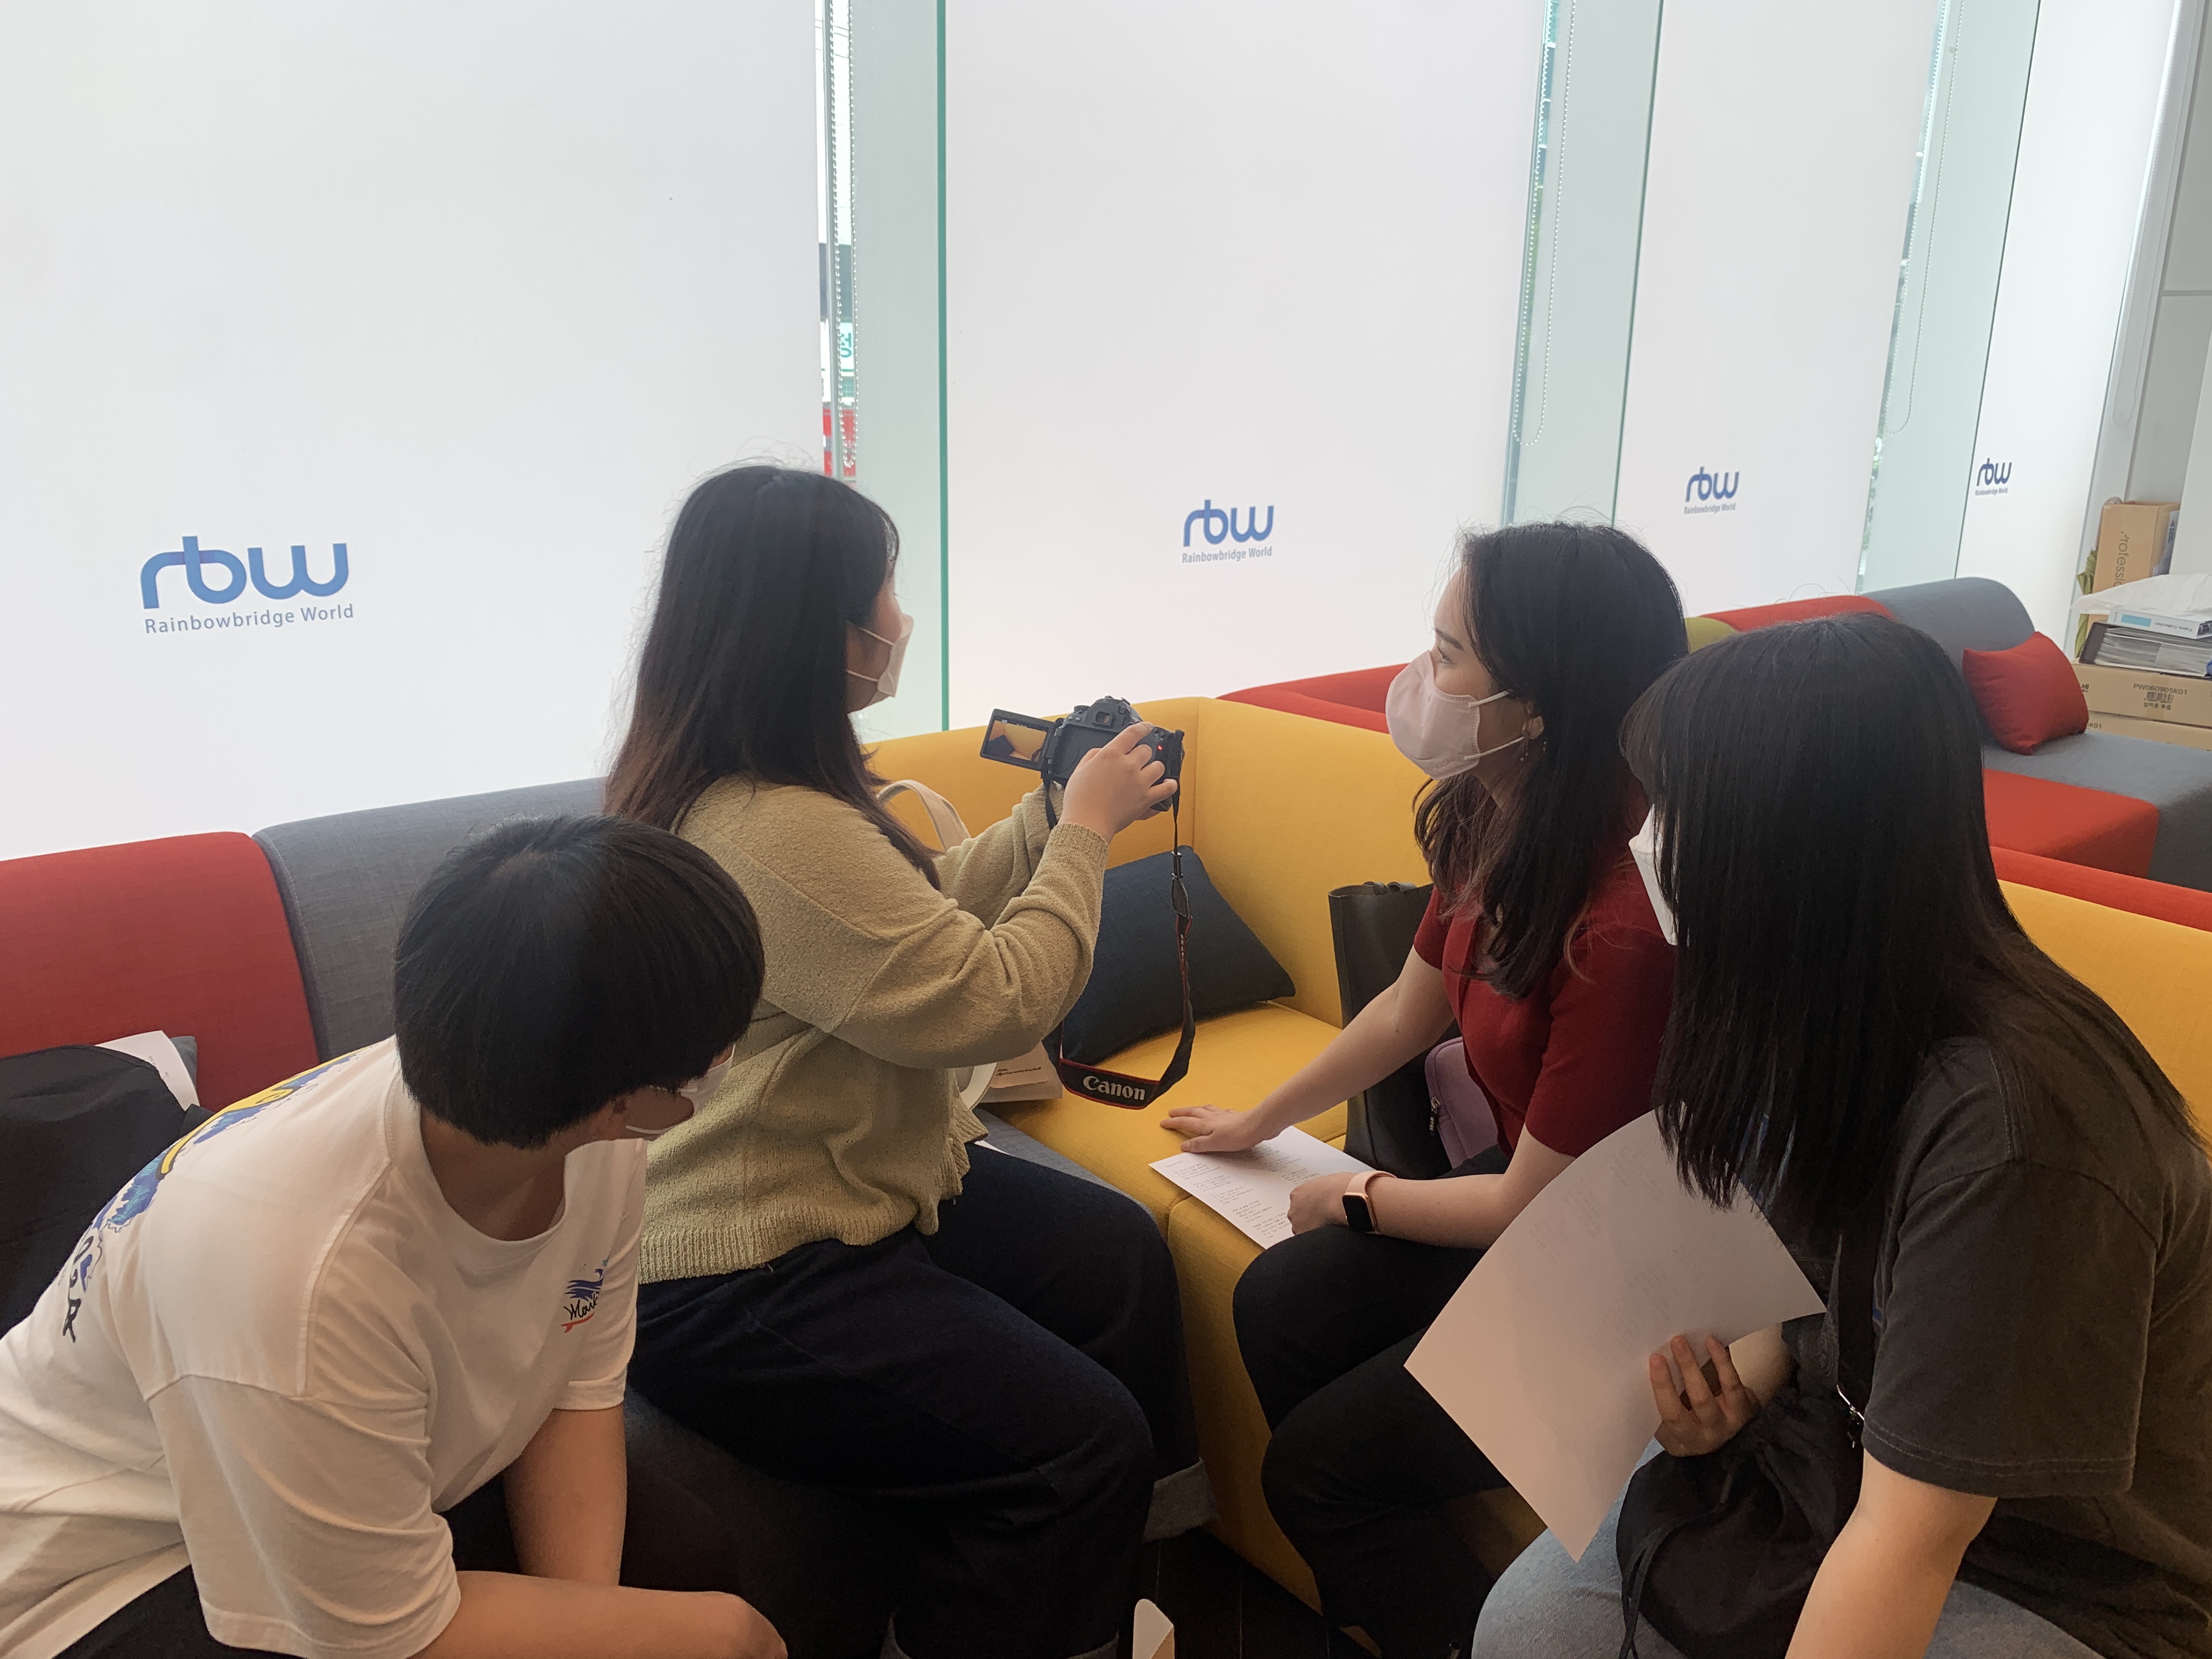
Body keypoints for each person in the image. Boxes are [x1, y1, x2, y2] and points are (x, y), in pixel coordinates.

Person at [1477, 612, 2212, 1659]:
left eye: (1675, 808)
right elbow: (1819, 1286)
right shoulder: (1817, 1020)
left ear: (1793, 842)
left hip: (2051, 1576)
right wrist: (1737, 1395)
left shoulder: (2016, 1134)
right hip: (1832, 1469)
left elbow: (1915, 1539)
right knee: (1528, 1627)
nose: (1645, 840)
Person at [603, 464, 1204, 1659]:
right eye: (883, 590)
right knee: (1083, 1442)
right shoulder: (769, 826)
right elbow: (992, 999)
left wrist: (1046, 815)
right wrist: (1087, 831)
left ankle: (1115, 1579)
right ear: (813, 627)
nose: (899, 616)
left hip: (850, 1189)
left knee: (1117, 1254)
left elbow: (907, 919)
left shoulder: (763, 791)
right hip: (741, 1264)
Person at [0, 816, 785, 1659]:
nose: (726, 1057)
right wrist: (708, 1634)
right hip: (102, 1566)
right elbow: (391, 1637)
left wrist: (589, 1624)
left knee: (678, 1562)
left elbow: (573, 1381)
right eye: (720, 1045)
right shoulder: (302, 1278)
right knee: (713, 1631)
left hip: (343, 1450)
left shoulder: (564, 1109)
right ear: (626, 1102)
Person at [1162, 521, 1687, 1657]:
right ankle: (1389, 1578)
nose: (1420, 679)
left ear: (1538, 703)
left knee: (1315, 1470)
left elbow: (1530, 1204)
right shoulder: (1496, 820)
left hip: (1622, 1264)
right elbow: (1409, 1010)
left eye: (1449, 655)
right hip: (1539, 1195)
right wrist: (1262, 1119)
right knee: (1279, 1303)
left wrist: (1359, 1197)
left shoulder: (1620, 927)